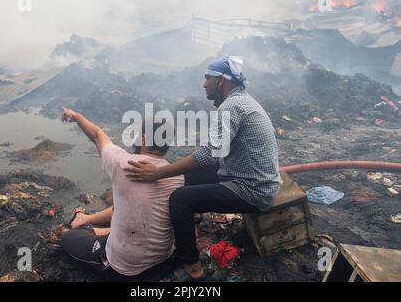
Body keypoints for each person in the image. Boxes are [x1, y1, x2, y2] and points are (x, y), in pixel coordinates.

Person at [125, 56, 280, 282]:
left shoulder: (232, 106)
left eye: (207, 78)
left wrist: (157, 173)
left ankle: (191, 265)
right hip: (250, 177)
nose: (204, 84)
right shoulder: (242, 101)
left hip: (253, 190)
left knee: (180, 199)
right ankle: (185, 224)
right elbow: (214, 151)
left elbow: (209, 154)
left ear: (221, 80)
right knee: (188, 176)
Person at [60, 108, 184, 281]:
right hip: (163, 257)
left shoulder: (123, 163)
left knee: (69, 237)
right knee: (128, 205)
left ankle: (85, 226)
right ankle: (86, 220)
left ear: (143, 139)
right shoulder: (178, 176)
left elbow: (97, 135)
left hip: (124, 264)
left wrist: (76, 116)